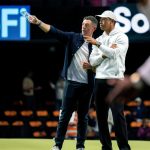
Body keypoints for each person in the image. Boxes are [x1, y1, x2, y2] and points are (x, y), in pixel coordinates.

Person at [28, 14, 98, 150]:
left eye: (87, 25)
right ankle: (57, 144)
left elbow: (103, 65)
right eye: (83, 24)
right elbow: (54, 31)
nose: (84, 27)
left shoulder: (97, 45)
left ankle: (80, 146)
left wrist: (92, 67)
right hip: (71, 83)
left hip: (87, 86)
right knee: (64, 115)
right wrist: (38, 22)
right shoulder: (73, 37)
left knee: (83, 117)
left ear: (94, 28)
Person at [84, 10, 131, 150]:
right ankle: (106, 147)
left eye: (104, 19)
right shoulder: (99, 39)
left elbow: (115, 53)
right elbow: (92, 61)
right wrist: (104, 55)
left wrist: (99, 46)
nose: (101, 22)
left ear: (112, 21)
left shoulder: (121, 37)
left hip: (115, 80)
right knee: (101, 117)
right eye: (100, 20)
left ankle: (124, 147)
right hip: (99, 80)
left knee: (118, 116)